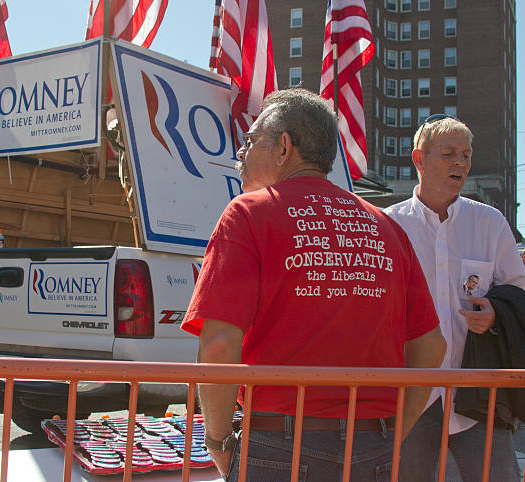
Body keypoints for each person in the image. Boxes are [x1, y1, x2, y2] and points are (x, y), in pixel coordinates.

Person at [181, 88, 446, 481]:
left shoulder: (248, 214)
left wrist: (218, 442)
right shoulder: (386, 227)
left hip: (280, 444)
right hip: (375, 443)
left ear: (284, 147)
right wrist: (395, 433)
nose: (240, 152)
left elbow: (219, 344)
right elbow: (431, 345)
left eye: (251, 141)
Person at [384, 114, 525, 481]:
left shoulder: (491, 223)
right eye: (448, 153)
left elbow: (519, 291)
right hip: (410, 392)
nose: (460, 163)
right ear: (419, 159)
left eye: (466, 154)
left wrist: (495, 313)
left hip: (478, 391)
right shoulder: (388, 226)